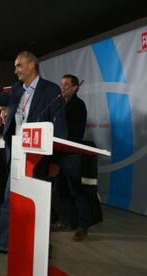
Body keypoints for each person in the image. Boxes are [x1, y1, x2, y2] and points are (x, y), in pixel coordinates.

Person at [0, 51, 67, 255]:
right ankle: (3, 243)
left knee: (37, 204)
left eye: (19, 65)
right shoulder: (17, 88)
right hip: (18, 154)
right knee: (10, 200)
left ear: (32, 66)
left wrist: (56, 160)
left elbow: (60, 128)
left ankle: (39, 247)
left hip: (38, 156)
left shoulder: (51, 90)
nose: (15, 70)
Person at [55, 74, 89, 241]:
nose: (63, 87)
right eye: (61, 84)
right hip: (59, 153)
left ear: (76, 87)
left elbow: (72, 130)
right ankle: (67, 221)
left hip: (71, 154)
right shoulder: (60, 104)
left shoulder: (78, 105)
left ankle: (83, 226)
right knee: (62, 189)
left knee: (77, 190)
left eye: (66, 84)